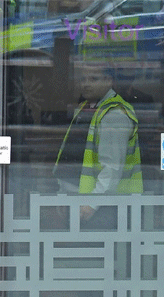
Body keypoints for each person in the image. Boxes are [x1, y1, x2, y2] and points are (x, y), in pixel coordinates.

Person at [52, 60, 143, 230]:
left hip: (100, 206)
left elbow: (112, 168)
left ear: (109, 81)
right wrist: (63, 194)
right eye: (83, 79)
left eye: (93, 79)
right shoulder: (87, 108)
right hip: (85, 200)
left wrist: (92, 204)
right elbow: (72, 157)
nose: (86, 84)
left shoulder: (114, 114)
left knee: (95, 245)